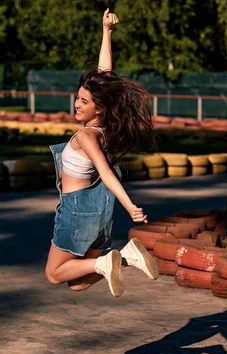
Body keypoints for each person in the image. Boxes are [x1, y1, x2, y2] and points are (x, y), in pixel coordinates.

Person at [45, 9, 158, 297]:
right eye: (78, 97)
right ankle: (127, 256)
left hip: (76, 212)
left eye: (84, 101)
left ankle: (108, 260)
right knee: (79, 282)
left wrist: (131, 206)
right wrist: (106, 32)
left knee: (54, 274)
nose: (77, 104)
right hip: (100, 215)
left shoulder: (87, 136)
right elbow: (104, 74)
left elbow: (106, 173)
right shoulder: (106, 126)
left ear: (99, 108)